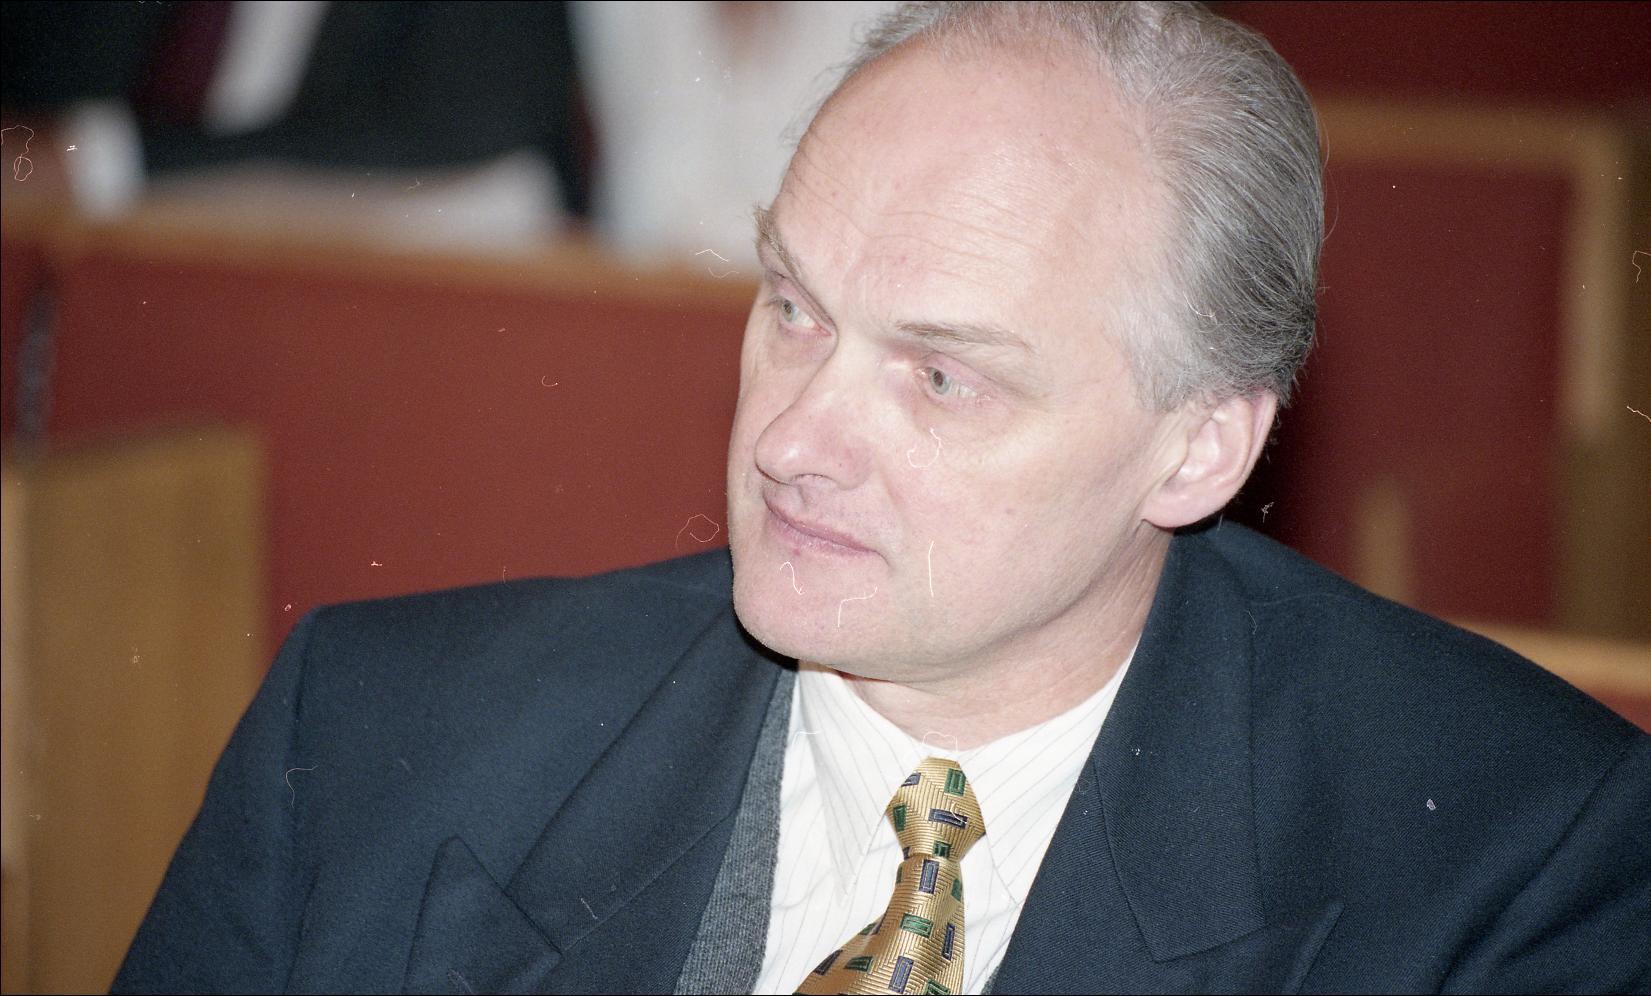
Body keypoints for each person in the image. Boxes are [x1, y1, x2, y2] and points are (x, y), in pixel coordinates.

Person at [113, 3, 1650, 994]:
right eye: (792, 308)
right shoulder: (368, 742)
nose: (792, 440)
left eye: (941, 377)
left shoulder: (1515, 864)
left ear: (1198, 449)